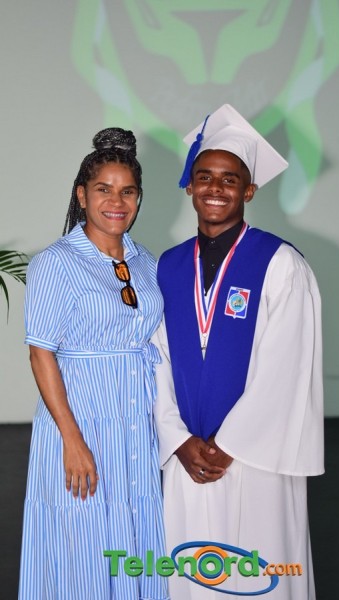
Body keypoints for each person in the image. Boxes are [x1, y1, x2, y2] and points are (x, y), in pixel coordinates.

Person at [153, 104, 324, 599]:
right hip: (188, 455)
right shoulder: (167, 267)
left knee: (261, 573)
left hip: (256, 457)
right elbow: (154, 360)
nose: (215, 188)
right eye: (204, 176)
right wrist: (177, 439)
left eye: (230, 179)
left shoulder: (281, 264)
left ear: (249, 191)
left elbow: (287, 367)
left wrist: (230, 445)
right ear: (190, 186)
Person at [18, 128, 169, 600]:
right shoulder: (56, 262)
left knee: (137, 527)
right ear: (82, 196)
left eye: (128, 191)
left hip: (135, 423)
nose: (116, 202)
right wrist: (72, 439)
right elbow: (40, 352)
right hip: (82, 421)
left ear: (139, 198)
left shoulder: (146, 262)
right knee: (82, 536)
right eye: (104, 189)